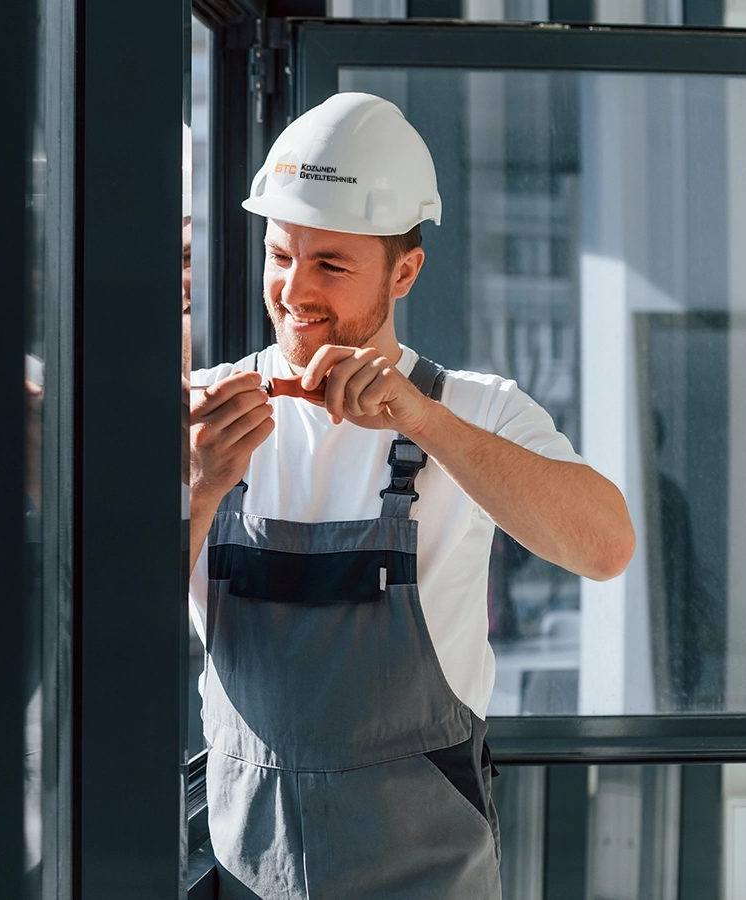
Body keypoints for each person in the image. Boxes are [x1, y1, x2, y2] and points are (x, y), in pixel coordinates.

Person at [188, 93, 635, 899]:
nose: (294, 290)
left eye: (330, 264)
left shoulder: (476, 410)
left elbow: (604, 547)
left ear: (405, 271)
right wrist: (202, 485)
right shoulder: (205, 414)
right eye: (280, 254)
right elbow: (104, 640)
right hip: (237, 867)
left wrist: (422, 420)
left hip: (425, 877)